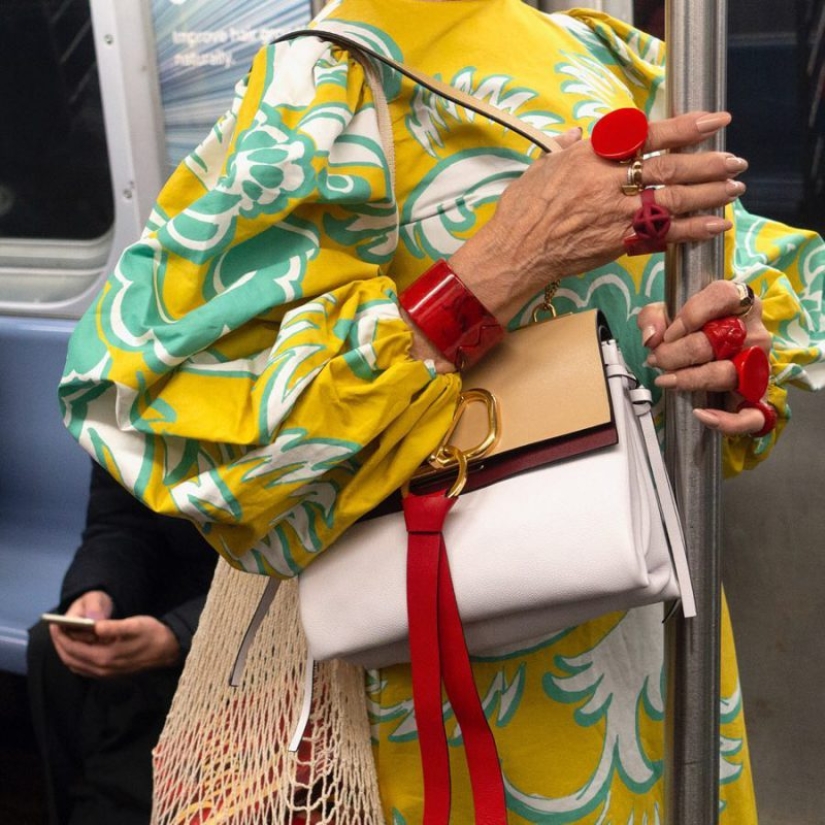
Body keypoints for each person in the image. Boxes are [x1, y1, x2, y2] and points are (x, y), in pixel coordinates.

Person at [57, 1, 825, 822]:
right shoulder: (328, 82)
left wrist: (726, 348)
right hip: (448, 695)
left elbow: (756, 295)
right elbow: (167, 404)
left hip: (663, 643)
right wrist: (505, 260)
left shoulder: (611, 57)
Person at [27, 461, 217, 825]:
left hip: (285, 607)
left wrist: (180, 635)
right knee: (51, 649)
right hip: (170, 583)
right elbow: (122, 523)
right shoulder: (131, 421)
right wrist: (98, 591)